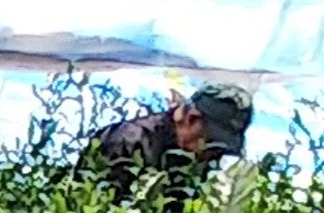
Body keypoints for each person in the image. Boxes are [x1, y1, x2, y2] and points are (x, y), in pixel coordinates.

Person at [80, 81, 253, 204]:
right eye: (211, 143)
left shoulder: (191, 157)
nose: (212, 155)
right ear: (191, 119)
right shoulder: (128, 143)